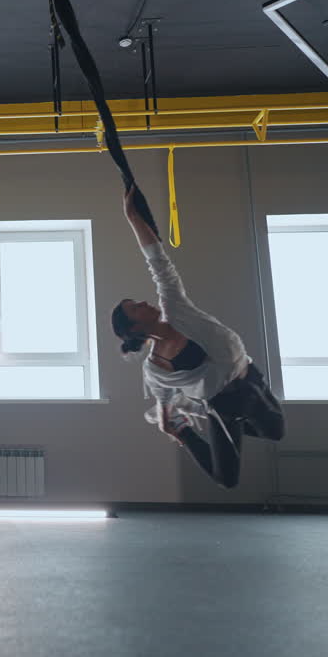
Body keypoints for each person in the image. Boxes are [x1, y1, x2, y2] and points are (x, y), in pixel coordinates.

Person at [111, 187, 285, 489]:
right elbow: (162, 396)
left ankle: (209, 414)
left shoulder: (176, 308)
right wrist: (168, 423)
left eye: (138, 301)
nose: (143, 303)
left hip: (250, 377)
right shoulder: (155, 367)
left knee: (276, 432)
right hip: (224, 404)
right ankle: (189, 429)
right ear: (134, 330)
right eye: (136, 309)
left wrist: (133, 217)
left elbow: (158, 262)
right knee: (227, 479)